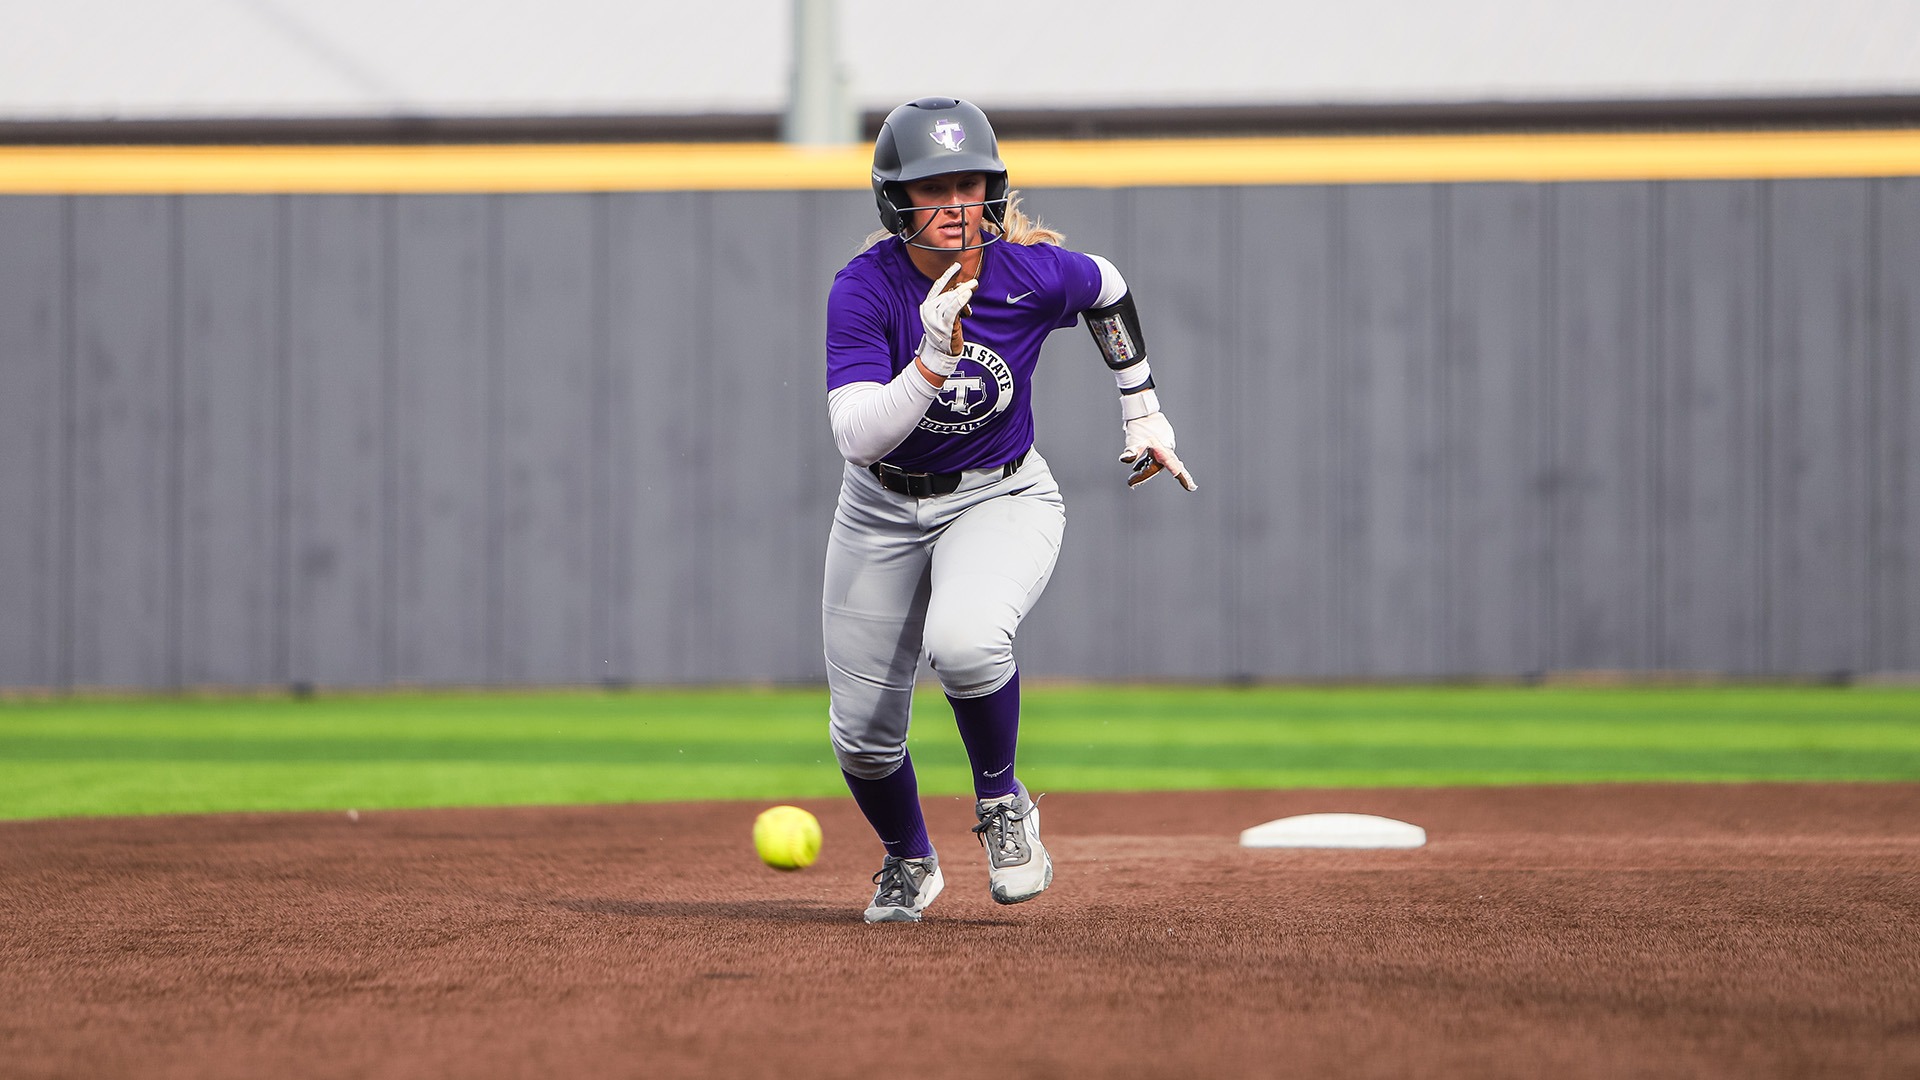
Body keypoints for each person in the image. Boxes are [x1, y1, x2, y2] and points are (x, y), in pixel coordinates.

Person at [822, 97, 1198, 924]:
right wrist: (928, 360)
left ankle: (1002, 803)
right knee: (861, 735)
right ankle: (908, 861)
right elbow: (855, 434)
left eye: (971, 183)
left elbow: (1109, 288)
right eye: (934, 188)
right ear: (895, 201)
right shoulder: (864, 290)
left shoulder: (1025, 272)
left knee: (964, 642)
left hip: (1001, 493)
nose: (956, 204)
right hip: (879, 508)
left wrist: (1142, 409)